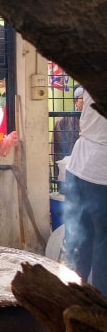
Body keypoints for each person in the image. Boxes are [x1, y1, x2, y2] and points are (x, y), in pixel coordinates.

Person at [61, 88, 107, 295]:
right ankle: (100, 308)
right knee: (103, 243)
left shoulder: (92, 69)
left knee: (77, 238)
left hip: (77, 166)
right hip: (102, 174)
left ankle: (68, 298)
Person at [52, 86, 83, 178]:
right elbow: (56, 151)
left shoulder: (97, 122)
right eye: (83, 101)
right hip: (69, 168)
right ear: (75, 102)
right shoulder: (62, 123)